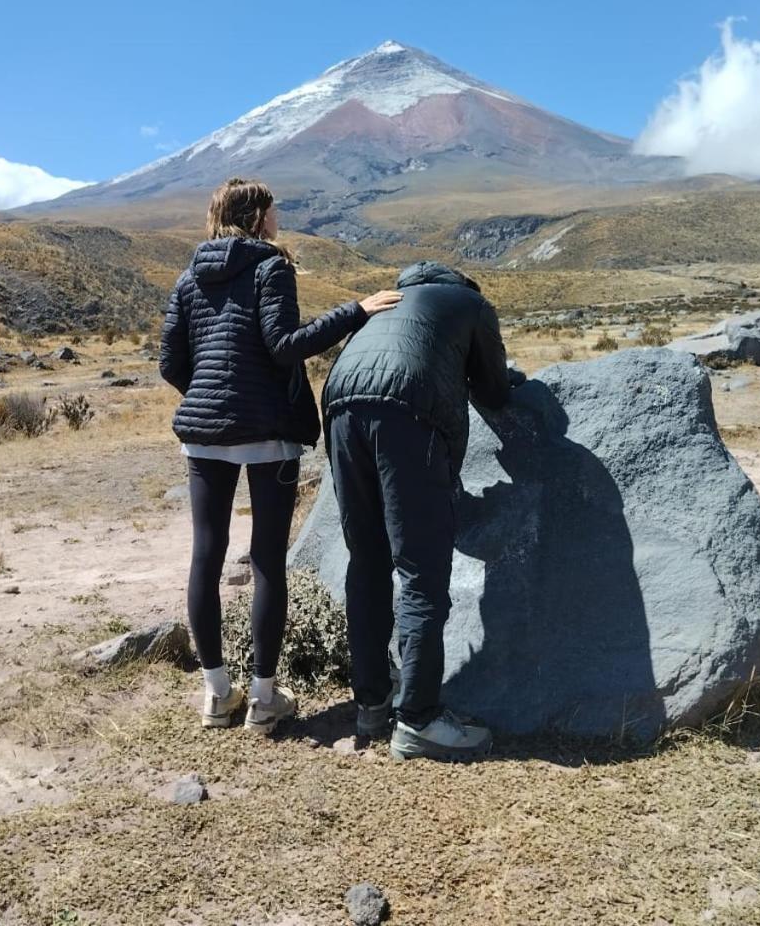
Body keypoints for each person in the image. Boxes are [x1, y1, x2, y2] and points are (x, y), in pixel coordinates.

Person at [159, 177, 401, 735]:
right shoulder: (271, 266)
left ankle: (217, 696)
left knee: (206, 556)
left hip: (202, 436)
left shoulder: (189, 275)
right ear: (256, 215)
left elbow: (171, 362)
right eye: (274, 209)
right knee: (267, 560)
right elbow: (285, 345)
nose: (279, 217)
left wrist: (211, 400)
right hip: (268, 434)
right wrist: (357, 311)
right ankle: (264, 700)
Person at [322, 260, 521, 761]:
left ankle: (371, 703)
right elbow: (495, 389)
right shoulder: (471, 304)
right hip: (409, 411)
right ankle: (420, 720)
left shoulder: (385, 303)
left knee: (366, 560)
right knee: (420, 571)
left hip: (341, 407)